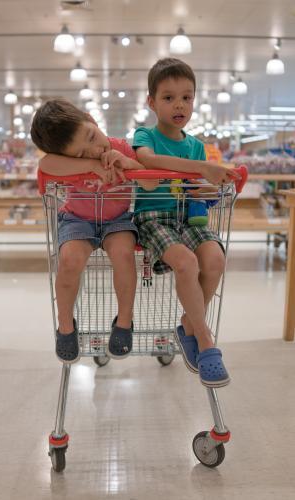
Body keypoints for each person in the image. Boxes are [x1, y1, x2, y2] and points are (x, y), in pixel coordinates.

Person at [131, 58, 241, 388]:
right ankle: (205, 339)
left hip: (189, 218)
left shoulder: (196, 146)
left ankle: (188, 324)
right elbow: (148, 162)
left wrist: (215, 183)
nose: (179, 104)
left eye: (186, 97)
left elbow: (200, 190)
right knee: (187, 262)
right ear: (151, 102)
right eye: (168, 97)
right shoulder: (144, 135)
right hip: (154, 219)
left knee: (216, 259)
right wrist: (199, 169)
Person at [31, 99, 157, 364]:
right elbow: (46, 165)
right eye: (80, 153)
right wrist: (90, 166)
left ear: (91, 119)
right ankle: (65, 327)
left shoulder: (122, 147)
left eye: (91, 136)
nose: (94, 149)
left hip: (117, 220)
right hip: (78, 220)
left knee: (123, 255)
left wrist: (128, 164)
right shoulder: (63, 161)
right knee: (69, 261)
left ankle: (124, 322)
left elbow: (150, 182)